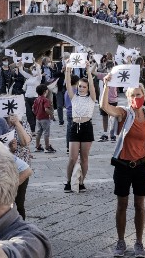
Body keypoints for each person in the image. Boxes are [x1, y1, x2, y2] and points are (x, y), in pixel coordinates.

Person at [101, 78, 145, 258]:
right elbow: (106, 107)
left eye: (138, 94)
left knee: (140, 205)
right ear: (128, 97)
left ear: (144, 95)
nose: (135, 98)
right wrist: (106, 85)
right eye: (132, 95)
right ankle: (120, 240)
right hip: (123, 165)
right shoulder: (124, 113)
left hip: (141, 165)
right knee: (122, 205)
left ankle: (139, 242)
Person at [64, 63, 97, 192]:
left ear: (87, 88)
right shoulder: (74, 97)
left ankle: (81, 181)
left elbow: (93, 86)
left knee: (84, 157)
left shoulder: (91, 98)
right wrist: (67, 71)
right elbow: (67, 84)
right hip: (75, 126)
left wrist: (88, 71)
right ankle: (68, 181)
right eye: (80, 86)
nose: (81, 88)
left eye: (84, 87)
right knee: (72, 157)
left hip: (87, 127)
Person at [4, 113, 33, 219]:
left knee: (19, 202)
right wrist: (10, 148)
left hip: (21, 168)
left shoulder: (23, 123)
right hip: (4, 168)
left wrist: (17, 123)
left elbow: (25, 141)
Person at [33, 84, 56, 153]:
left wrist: (37, 114)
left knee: (39, 132)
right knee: (46, 133)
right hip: (45, 118)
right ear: (45, 91)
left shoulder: (36, 99)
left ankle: (37, 146)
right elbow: (46, 109)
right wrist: (51, 114)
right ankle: (47, 147)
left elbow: (33, 109)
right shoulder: (46, 100)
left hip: (38, 118)